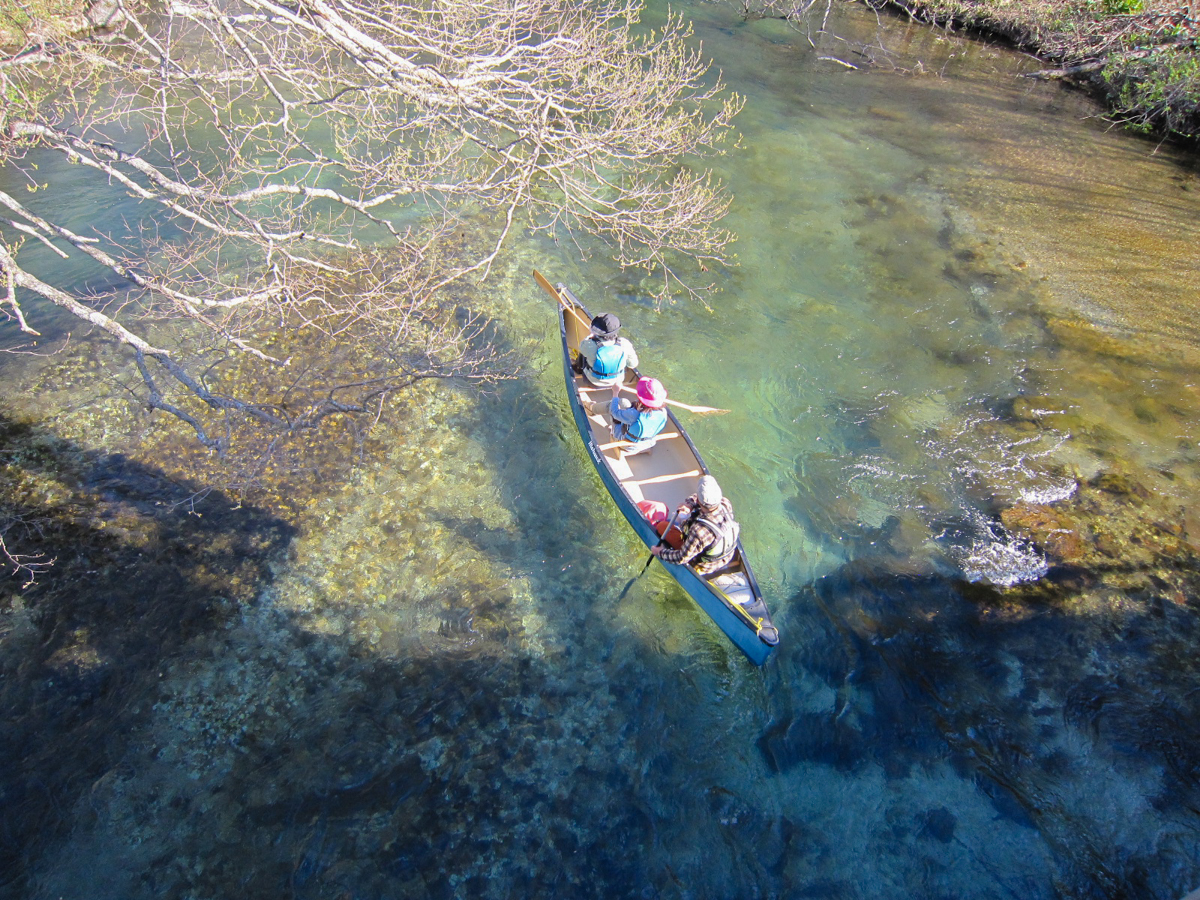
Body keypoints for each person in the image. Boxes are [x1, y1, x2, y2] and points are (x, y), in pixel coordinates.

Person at [651, 475, 740, 574]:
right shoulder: (725, 503)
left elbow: (681, 558)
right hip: (725, 558)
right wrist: (689, 505)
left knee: (662, 526)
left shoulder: (699, 531)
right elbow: (696, 498)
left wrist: (660, 552)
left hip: (703, 566)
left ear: (698, 501)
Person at [573, 313, 637, 388]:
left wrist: (589, 337)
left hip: (593, 382)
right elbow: (633, 365)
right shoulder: (625, 343)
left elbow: (581, 347)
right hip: (617, 382)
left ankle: (577, 369)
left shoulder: (589, 344)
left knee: (583, 355)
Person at [609, 376, 668, 454]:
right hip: (648, 443)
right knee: (627, 408)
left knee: (612, 411)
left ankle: (613, 433)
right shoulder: (663, 412)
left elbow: (614, 412)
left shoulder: (634, 414)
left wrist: (615, 392)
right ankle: (643, 449)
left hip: (628, 445)